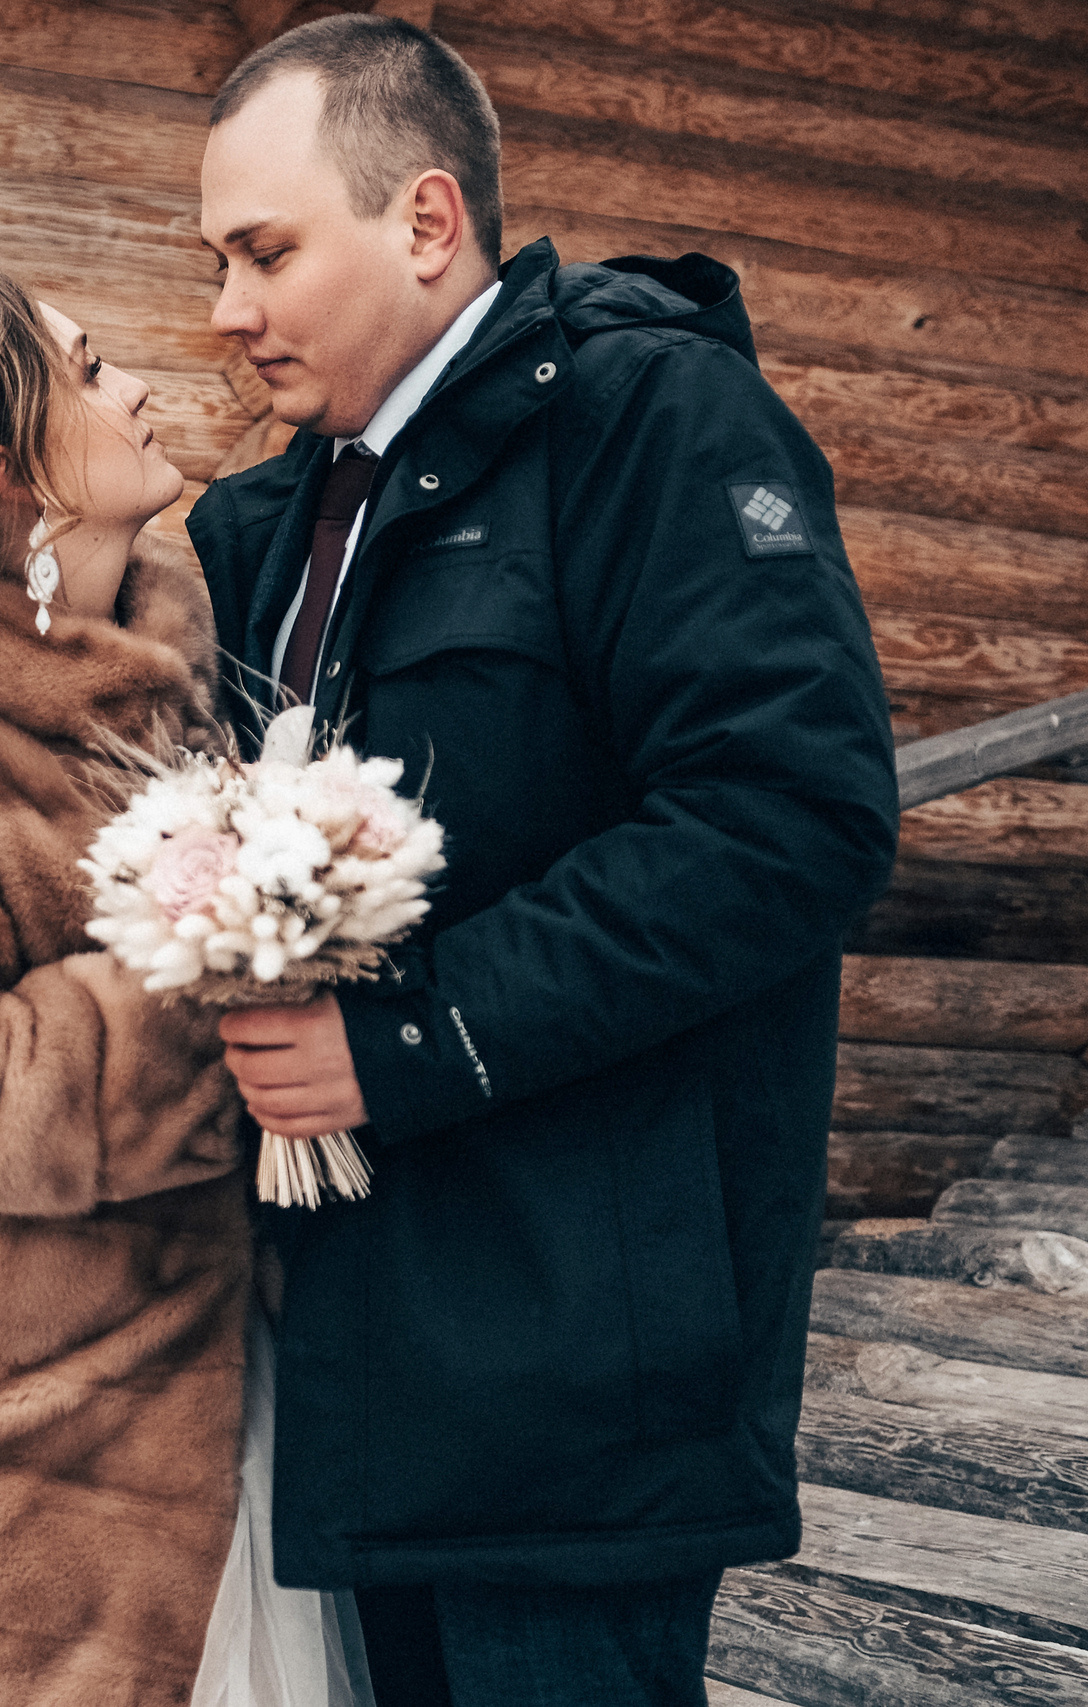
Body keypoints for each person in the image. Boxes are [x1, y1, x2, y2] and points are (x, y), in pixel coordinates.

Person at [184, 17, 899, 1707]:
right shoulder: (270, 524)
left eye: (265, 252)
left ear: (426, 223)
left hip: (579, 1390)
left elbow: (791, 815)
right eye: (215, 262)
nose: (226, 310)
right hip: (346, 1381)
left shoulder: (657, 422)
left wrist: (402, 1041)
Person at [0, 264, 345, 1706]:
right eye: (88, 372)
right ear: (2, 462)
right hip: (21, 1455)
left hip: (240, 1391)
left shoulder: (200, 657)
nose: (140, 384)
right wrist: (213, 957)